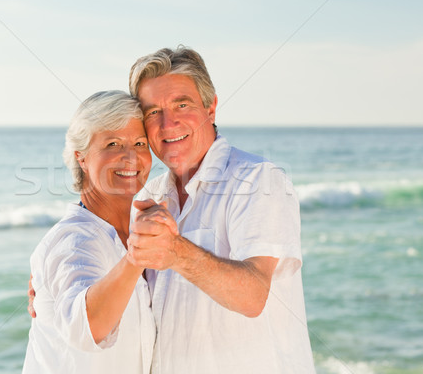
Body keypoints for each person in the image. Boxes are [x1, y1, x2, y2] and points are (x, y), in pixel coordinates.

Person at [124, 47, 316, 373]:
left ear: (210, 107)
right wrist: (51, 284)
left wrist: (177, 253)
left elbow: (253, 296)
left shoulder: (259, 181)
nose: (168, 123)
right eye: (153, 111)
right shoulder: (148, 197)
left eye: (181, 105)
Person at [22, 90, 156, 374]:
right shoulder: (73, 241)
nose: (131, 156)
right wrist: (137, 258)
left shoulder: (137, 229)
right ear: (81, 158)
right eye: (113, 143)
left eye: (139, 143)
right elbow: (87, 327)